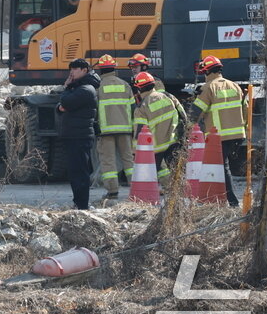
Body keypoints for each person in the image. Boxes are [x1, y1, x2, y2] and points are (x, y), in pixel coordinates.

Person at [194, 54, 249, 207]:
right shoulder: (235, 86)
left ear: (207, 71)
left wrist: (189, 128)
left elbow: (197, 113)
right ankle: (226, 200)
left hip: (219, 136)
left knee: (222, 167)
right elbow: (246, 110)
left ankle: (231, 202)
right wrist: (243, 129)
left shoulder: (208, 88)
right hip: (238, 135)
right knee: (226, 166)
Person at [56, 58, 99, 210]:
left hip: (80, 136)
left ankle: (82, 205)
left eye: (75, 69)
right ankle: (78, 203)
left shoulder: (86, 89)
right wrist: (62, 104)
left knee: (80, 172)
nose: (71, 73)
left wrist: (66, 87)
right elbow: (60, 107)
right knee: (75, 172)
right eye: (71, 69)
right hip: (73, 135)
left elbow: (65, 103)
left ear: (84, 70)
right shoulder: (78, 88)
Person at [132, 71, 187, 186]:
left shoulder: (141, 107)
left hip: (156, 148)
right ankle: (178, 194)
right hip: (174, 141)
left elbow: (140, 132)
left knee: (149, 178)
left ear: (139, 88)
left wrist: (135, 152)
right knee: (177, 174)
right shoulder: (168, 96)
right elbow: (183, 116)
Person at [94, 54, 135, 201]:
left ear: (100, 70)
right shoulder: (125, 85)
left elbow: (94, 110)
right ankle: (135, 189)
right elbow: (133, 108)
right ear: (114, 68)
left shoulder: (98, 87)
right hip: (125, 129)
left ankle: (112, 192)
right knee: (128, 160)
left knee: (108, 161)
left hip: (106, 131)